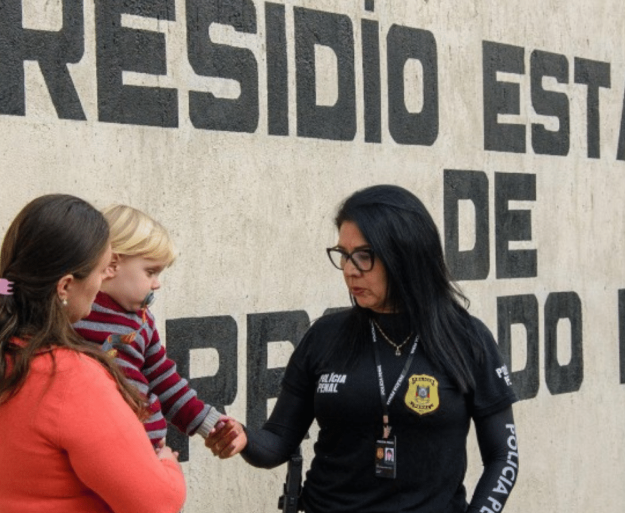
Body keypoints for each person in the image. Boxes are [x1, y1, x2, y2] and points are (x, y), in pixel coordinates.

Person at [207, 184, 520, 513]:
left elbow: (504, 457)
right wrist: (242, 437)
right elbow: (277, 441)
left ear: (405, 255)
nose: (350, 269)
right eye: (343, 254)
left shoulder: (467, 340)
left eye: (364, 256)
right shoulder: (325, 336)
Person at [0, 204, 247, 453]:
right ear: (113, 263)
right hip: (93, 447)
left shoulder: (143, 322)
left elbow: (166, 380)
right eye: (151, 271)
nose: (157, 284)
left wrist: (209, 424)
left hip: (146, 448)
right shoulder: (65, 303)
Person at [0, 194, 186, 512]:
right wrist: (166, 464)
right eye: (101, 270)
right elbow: (156, 503)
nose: (104, 279)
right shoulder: (71, 377)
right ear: (65, 286)